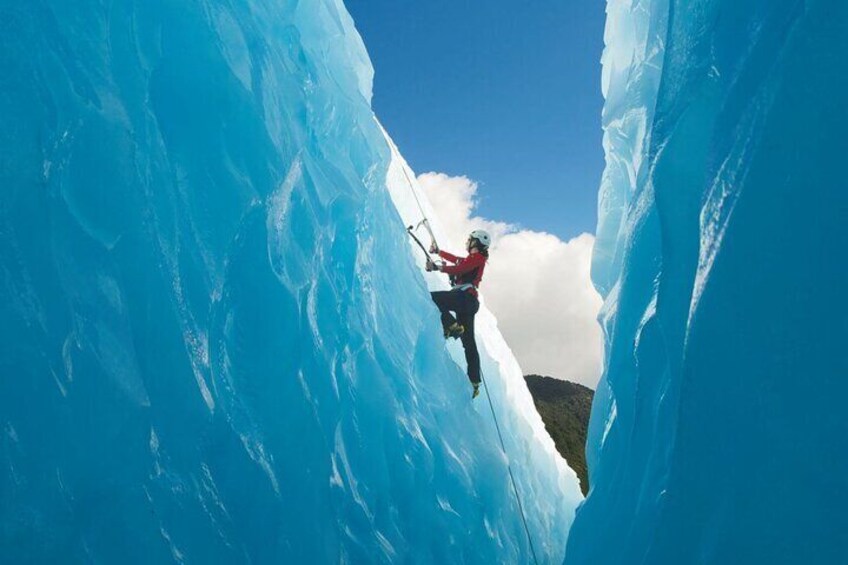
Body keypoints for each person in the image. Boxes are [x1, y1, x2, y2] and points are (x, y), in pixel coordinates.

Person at [426, 229, 491, 398]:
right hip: (467, 301)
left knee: (432, 298)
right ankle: (474, 382)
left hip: (465, 298)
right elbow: (457, 261)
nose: (467, 241)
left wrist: (436, 267)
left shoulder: (478, 258)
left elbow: (460, 267)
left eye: (470, 239)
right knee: (469, 343)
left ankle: (451, 326)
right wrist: (439, 252)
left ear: (476, 242)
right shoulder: (473, 259)